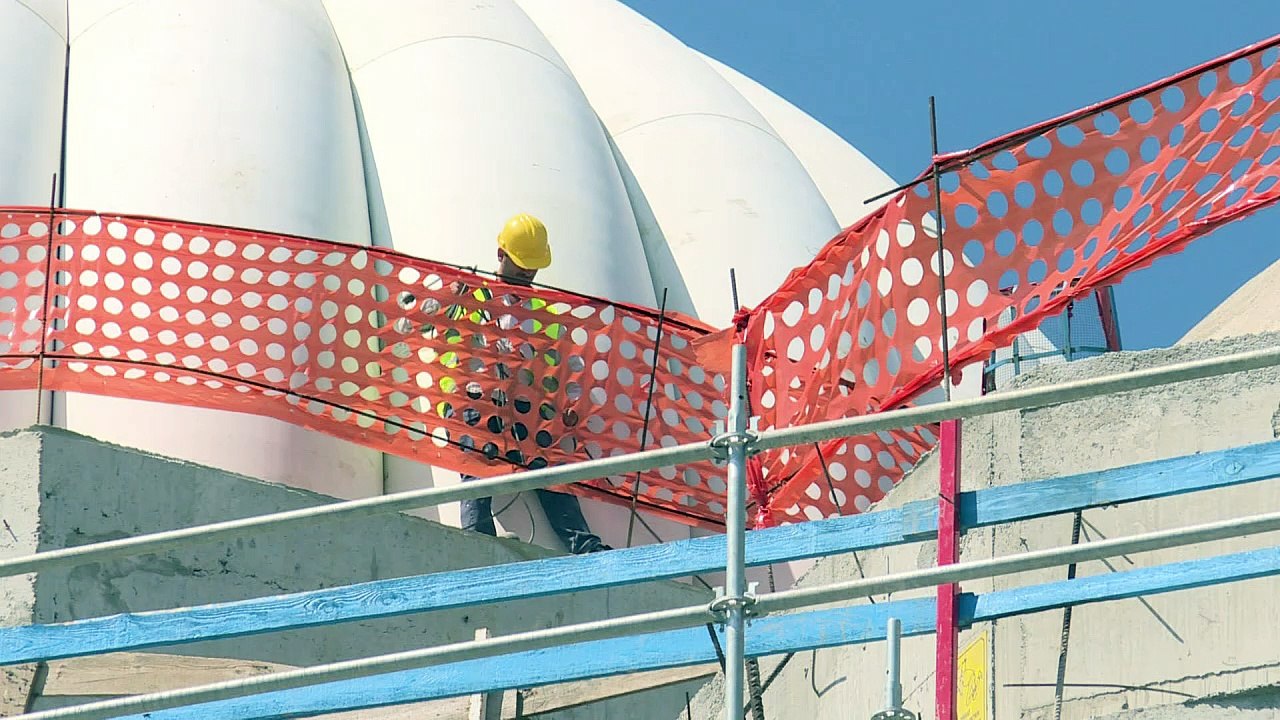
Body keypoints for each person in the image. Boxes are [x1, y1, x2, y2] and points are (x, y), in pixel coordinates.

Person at [457, 214, 611, 554]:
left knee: (549, 472)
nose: (528, 273)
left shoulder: (542, 310)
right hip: (481, 403)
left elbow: (568, 364)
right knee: (474, 467)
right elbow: (438, 338)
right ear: (501, 254)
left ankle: (584, 547)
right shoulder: (474, 299)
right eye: (522, 264)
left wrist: (571, 404)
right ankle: (475, 543)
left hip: (529, 406)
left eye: (533, 266)